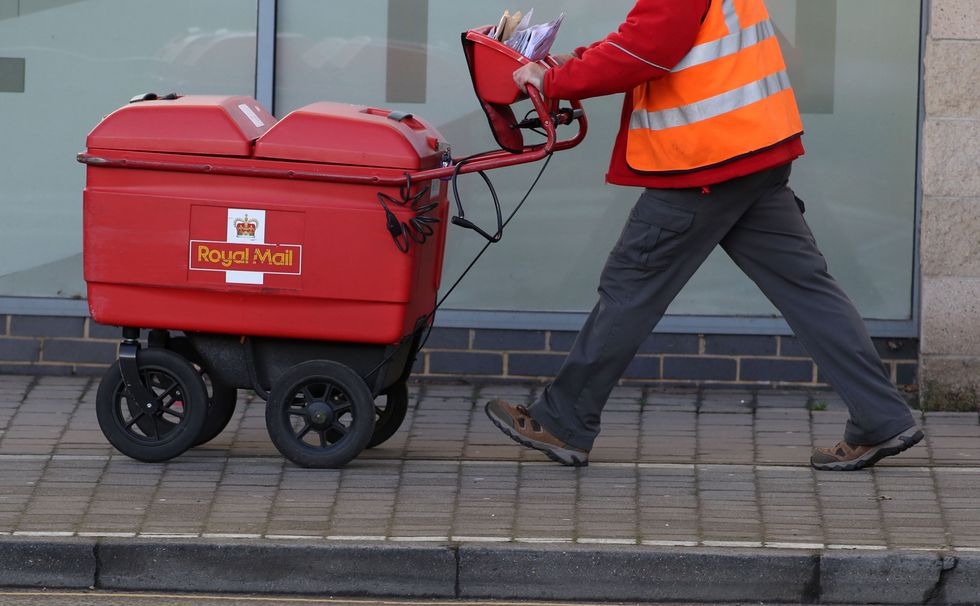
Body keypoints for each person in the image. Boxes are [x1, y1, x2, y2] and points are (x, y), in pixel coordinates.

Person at [484, 0, 923, 471]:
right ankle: (881, 416)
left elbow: (643, 52)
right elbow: (650, 37)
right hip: (755, 150)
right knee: (808, 290)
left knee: (630, 285)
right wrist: (570, 62)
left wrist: (551, 82)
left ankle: (564, 420)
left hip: (705, 163)